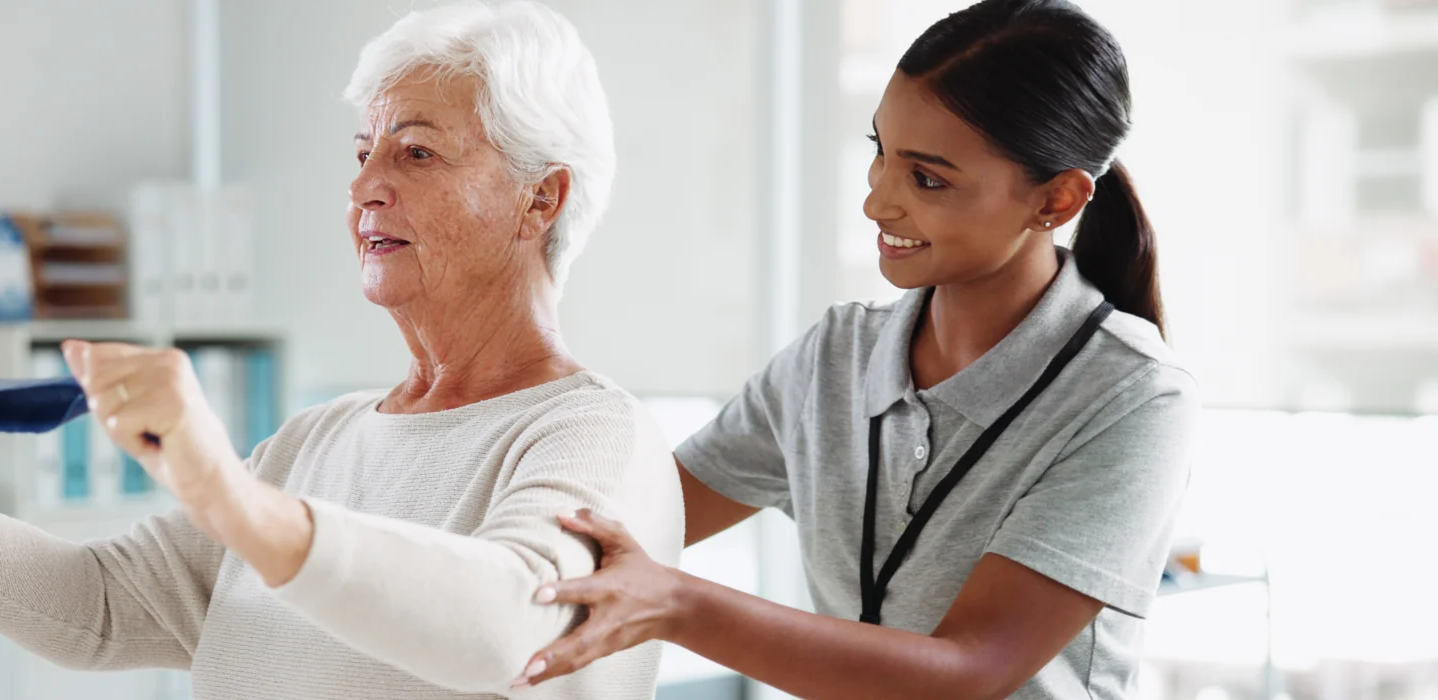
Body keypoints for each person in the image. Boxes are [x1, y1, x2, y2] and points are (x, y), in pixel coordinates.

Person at [0, 3, 682, 698]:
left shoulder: (596, 438)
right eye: (363, 152)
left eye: (417, 152)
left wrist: (229, 495)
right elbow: (101, 608)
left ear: (541, 199)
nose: (365, 186)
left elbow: (511, 623)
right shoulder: (313, 443)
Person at [513, 1, 1197, 698]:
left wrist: (677, 604)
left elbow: (973, 670)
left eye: (927, 179)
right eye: (880, 152)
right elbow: (635, 515)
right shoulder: (837, 355)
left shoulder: (1134, 395)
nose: (877, 203)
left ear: (1057, 201)